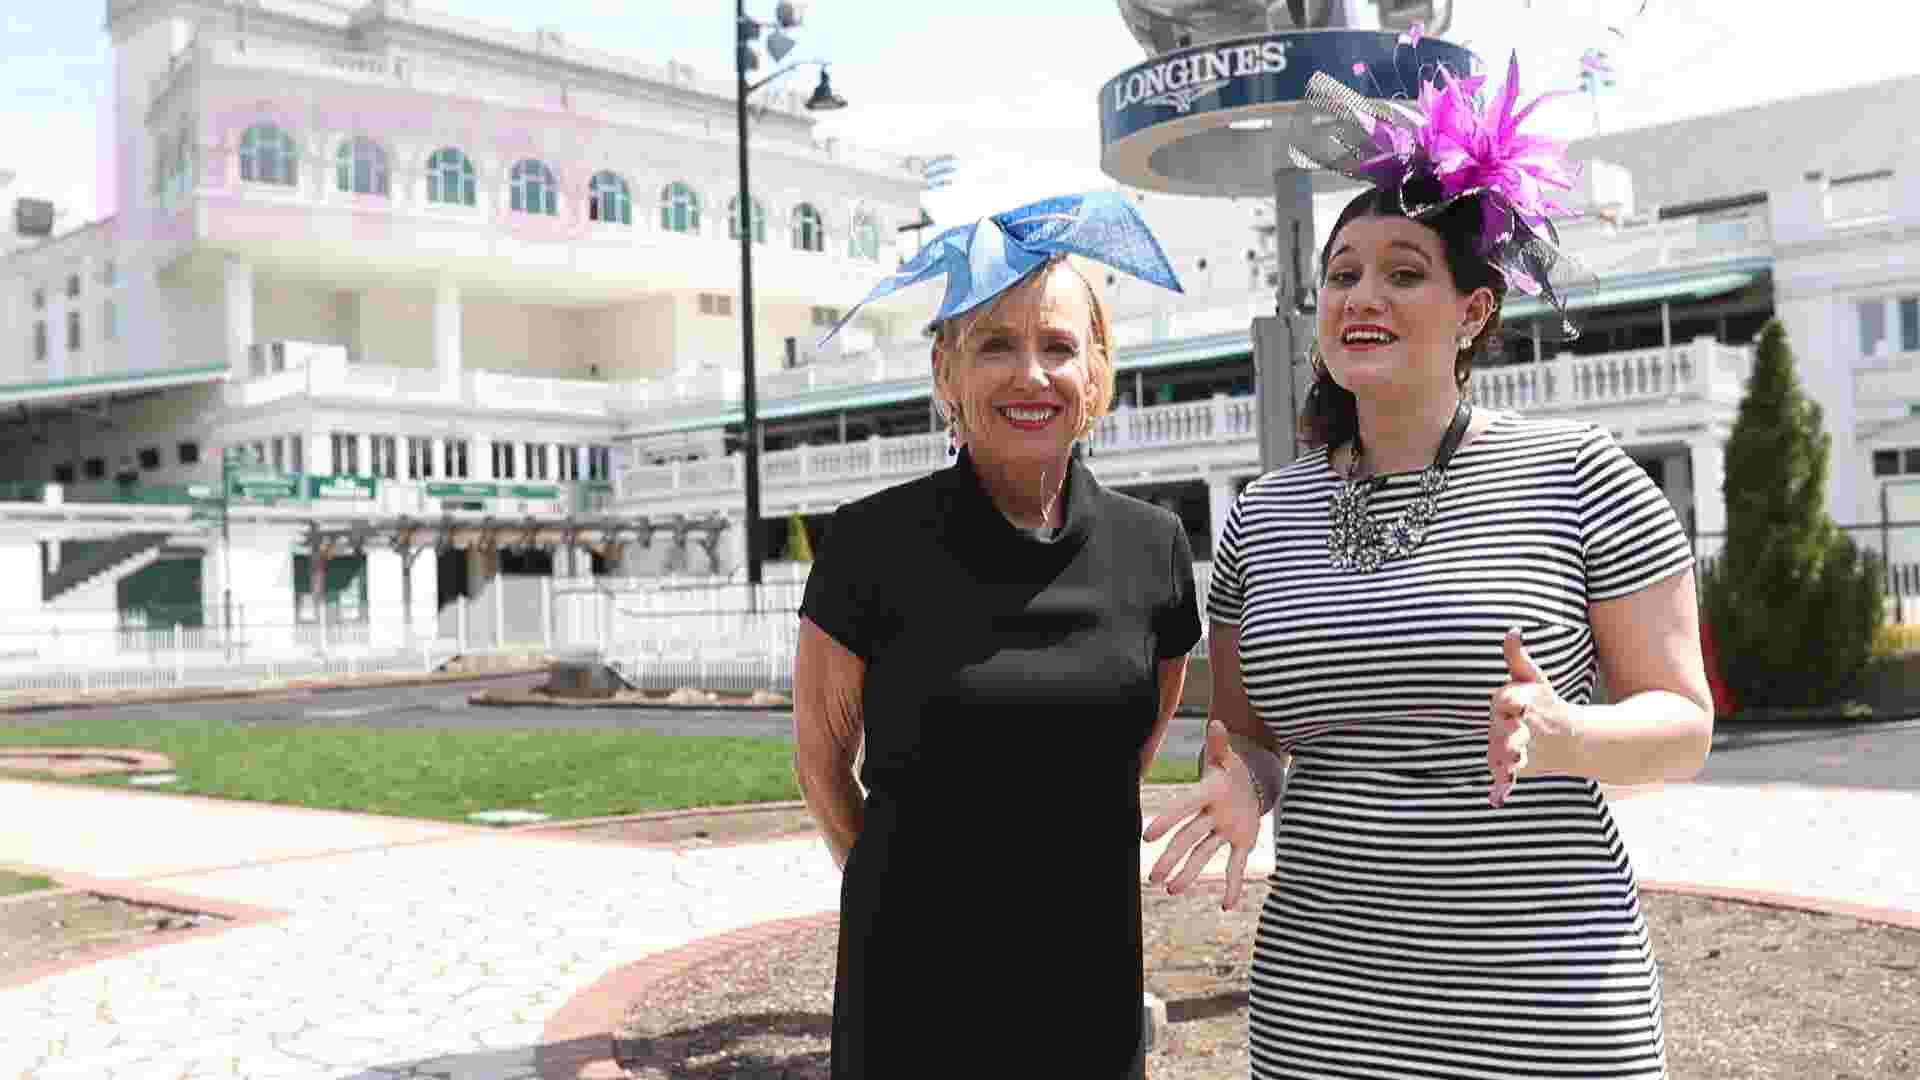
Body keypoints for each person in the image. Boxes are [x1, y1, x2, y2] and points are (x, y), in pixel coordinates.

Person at [1146, 58, 1715, 1079]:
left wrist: (1570, 733)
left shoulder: (1580, 475)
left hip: (1548, 1009)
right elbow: (1251, 739)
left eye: (1405, 271)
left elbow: (1682, 725)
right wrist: (1241, 787)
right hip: (1325, 1010)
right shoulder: (1264, 518)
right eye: (1345, 273)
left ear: (1474, 311)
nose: (1364, 295)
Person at [792, 192, 1203, 1079]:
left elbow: (1132, 746)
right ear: (947, 373)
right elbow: (822, 766)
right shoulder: (869, 544)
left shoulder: (1155, 548)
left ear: (1098, 373)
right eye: (995, 346)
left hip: (1088, 988)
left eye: (1059, 347)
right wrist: (899, 897)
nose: (1032, 375)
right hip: (910, 994)